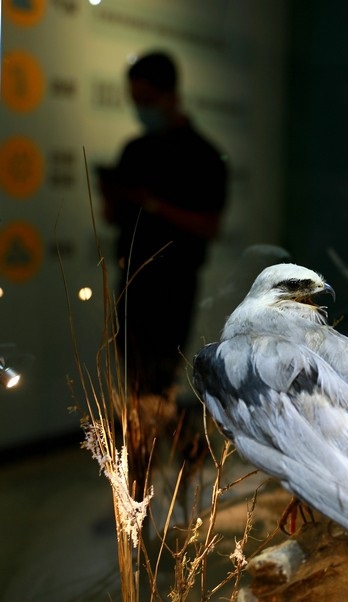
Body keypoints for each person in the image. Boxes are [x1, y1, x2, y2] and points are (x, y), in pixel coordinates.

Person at [99, 50, 228, 448]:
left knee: (158, 386)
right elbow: (113, 217)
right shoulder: (134, 150)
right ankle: (155, 460)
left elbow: (209, 226)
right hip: (131, 282)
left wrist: (154, 205)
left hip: (173, 286)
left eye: (147, 99)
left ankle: (175, 456)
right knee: (136, 385)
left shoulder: (203, 156)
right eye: (135, 99)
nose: (141, 108)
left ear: (171, 94)